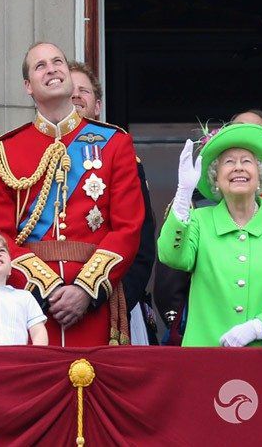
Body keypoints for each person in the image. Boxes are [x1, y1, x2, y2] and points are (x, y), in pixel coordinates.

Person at [0, 42, 145, 347]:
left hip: (94, 302)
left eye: (58, 61)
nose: (52, 68)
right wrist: (46, 288)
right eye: (40, 65)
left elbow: (128, 228)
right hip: (30, 306)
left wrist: (85, 289)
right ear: (28, 86)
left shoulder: (115, 143)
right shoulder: (5, 150)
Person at [158, 123, 262, 346]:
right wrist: (183, 195)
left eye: (247, 161)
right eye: (229, 162)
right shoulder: (199, 221)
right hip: (205, 359)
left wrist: (259, 327)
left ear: (260, 175)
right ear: (216, 178)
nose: (238, 168)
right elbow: (171, 256)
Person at [154, 110, 262, 345]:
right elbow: (170, 271)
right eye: (231, 160)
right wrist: (183, 326)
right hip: (205, 340)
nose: (239, 167)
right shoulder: (196, 211)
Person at [69, 60, 157, 345]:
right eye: (70, 90)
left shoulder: (122, 155)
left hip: (113, 299)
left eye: (84, 91)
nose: (76, 96)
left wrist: (116, 299)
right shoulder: (32, 157)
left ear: (97, 105)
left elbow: (140, 240)